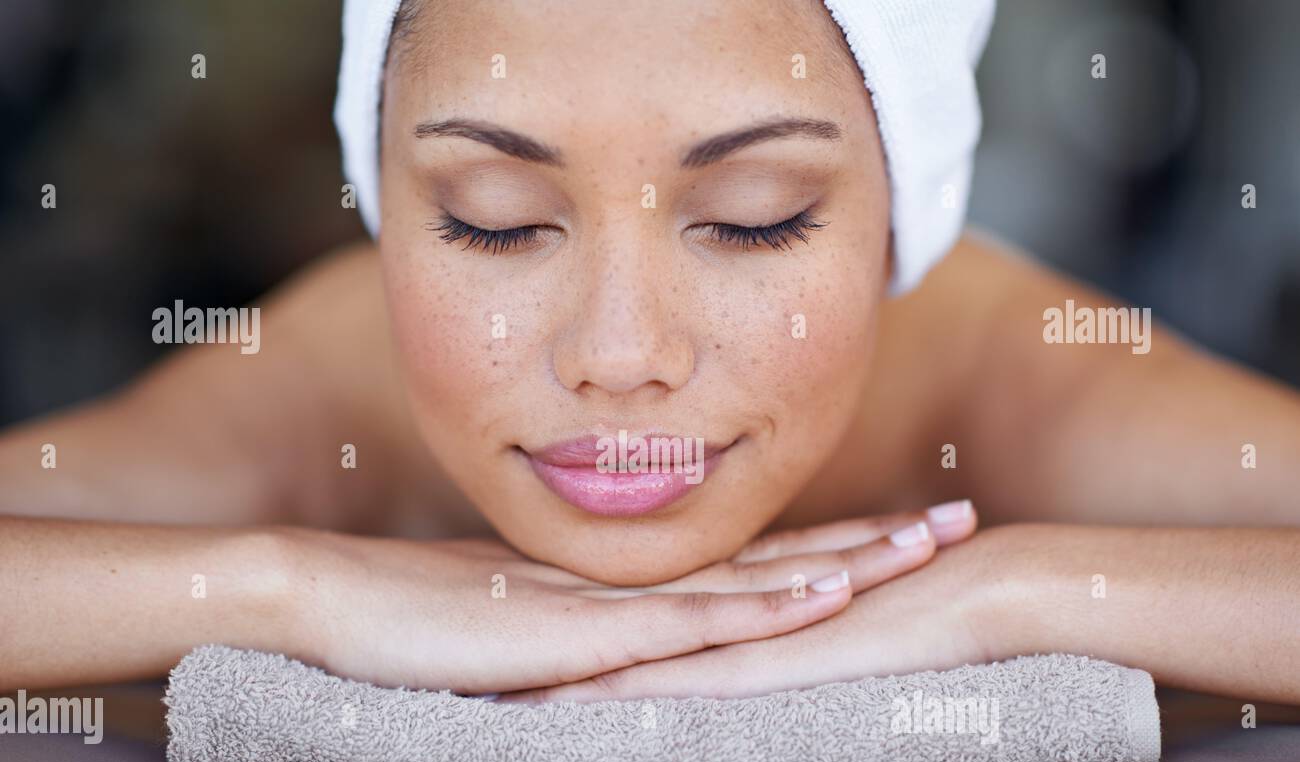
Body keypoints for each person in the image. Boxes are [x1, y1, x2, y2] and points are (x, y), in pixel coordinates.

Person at [2, 0, 1297, 705]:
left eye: (756, 219)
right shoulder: (336, 386)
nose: (621, 357)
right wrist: (289, 594)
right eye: (494, 226)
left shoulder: (1008, 376)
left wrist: (1015, 595)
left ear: (905, 214)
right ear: (385, 209)